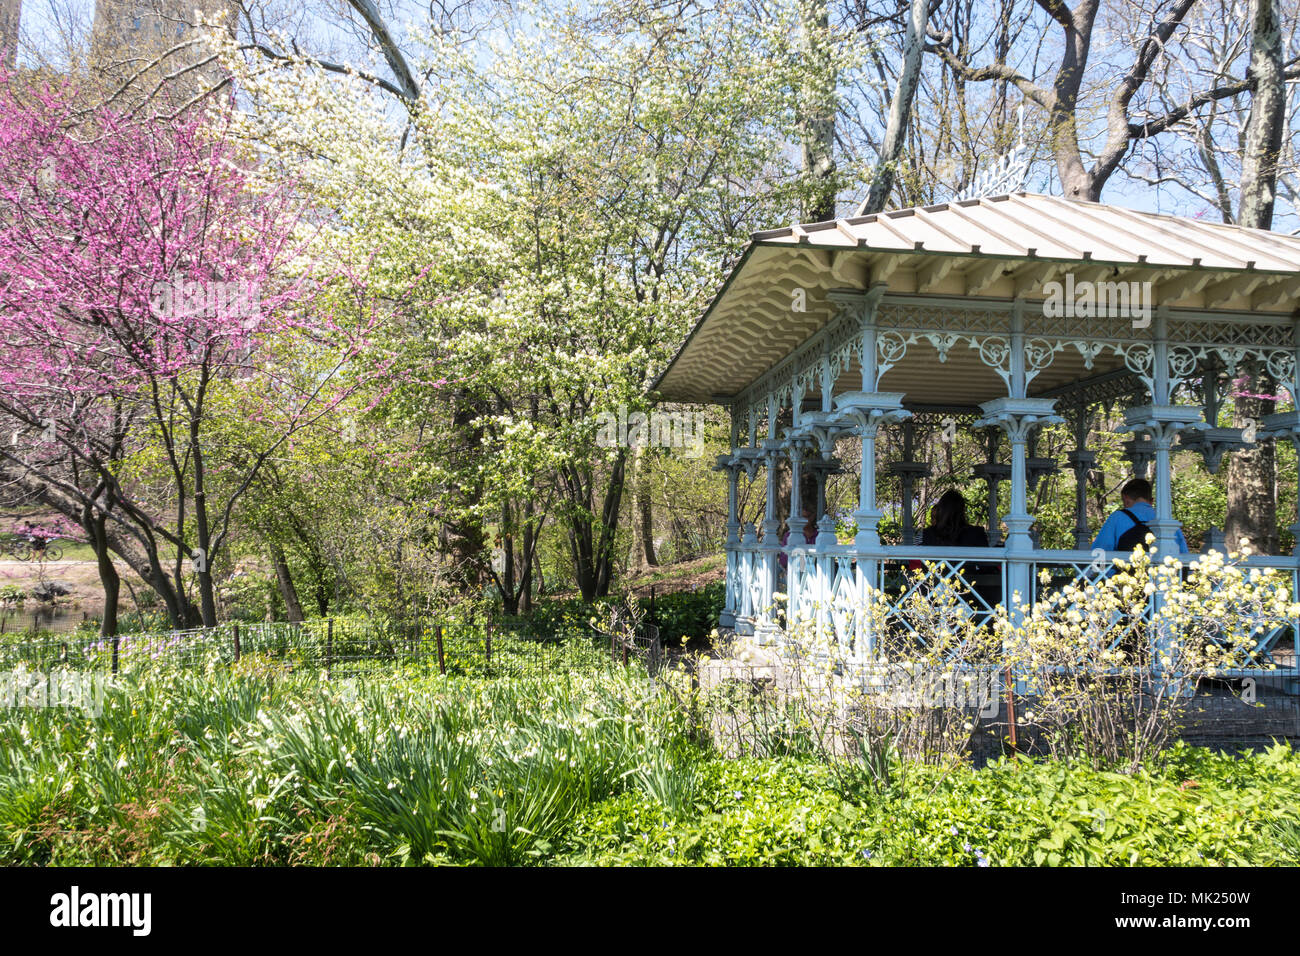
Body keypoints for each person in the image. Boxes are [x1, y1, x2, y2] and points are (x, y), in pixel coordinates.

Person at [1092, 478, 1188, 555]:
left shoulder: (1117, 517)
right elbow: (1183, 552)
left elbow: (1100, 549)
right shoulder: (1166, 521)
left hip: (1126, 577)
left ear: (1126, 499)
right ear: (1151, 500)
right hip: (1164, 577)